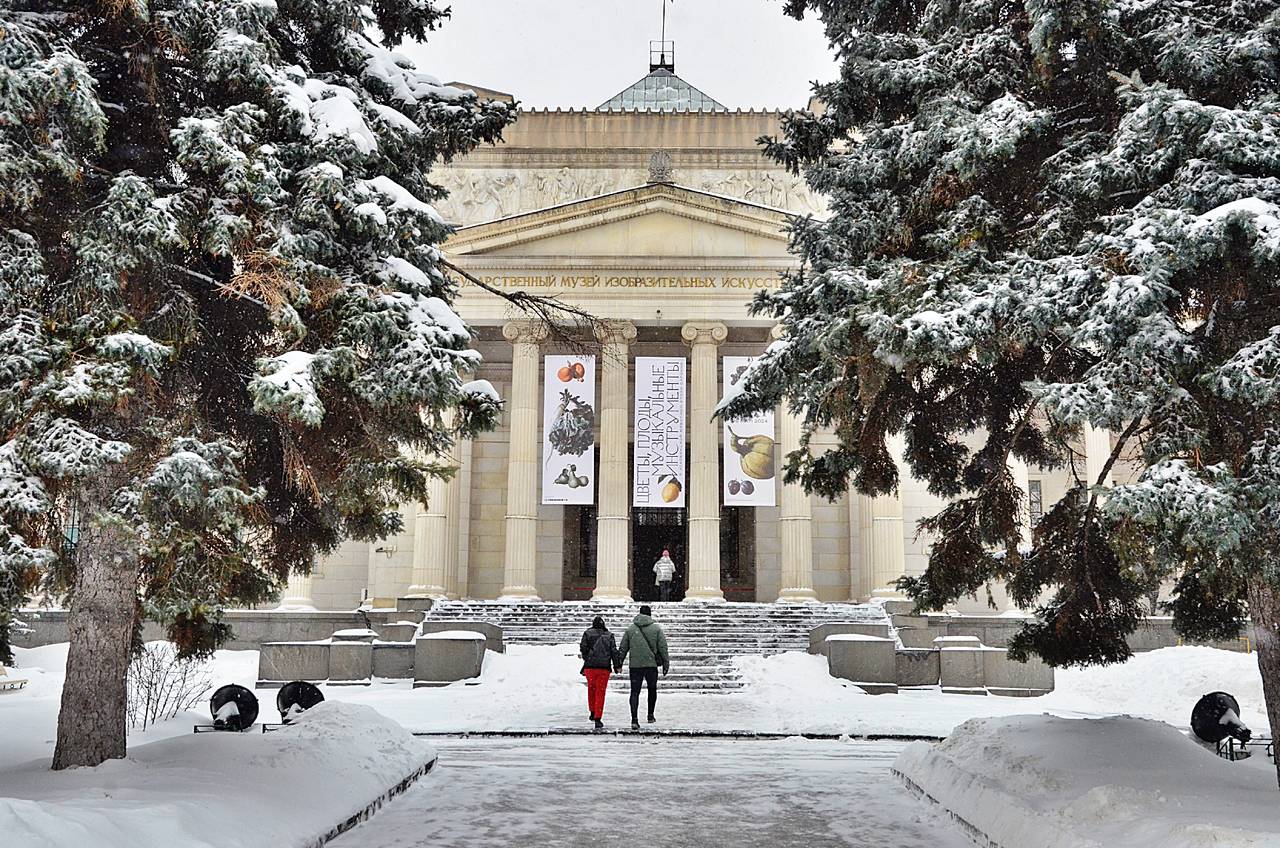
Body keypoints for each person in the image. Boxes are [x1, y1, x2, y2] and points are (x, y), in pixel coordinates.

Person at [618, 604, 669, 729]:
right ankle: (650, 715)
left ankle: (634, 719)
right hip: (651, 665)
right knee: (652, 690)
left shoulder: (631, 629)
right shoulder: (656, 629)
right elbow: (663, 648)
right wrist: (666, 663)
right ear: (650, 615)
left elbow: (623, 648)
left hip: (635, 666)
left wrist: (618, 663)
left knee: (635, 692)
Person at [579, 615, 621, 730]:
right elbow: (613, 651)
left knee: (591, 690)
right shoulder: (609, 635)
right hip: (603, 668)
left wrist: (588, 657)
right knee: (600, 692)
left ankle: (592, 712)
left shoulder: (587, 633)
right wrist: (617, 665)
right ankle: (598, 718)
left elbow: (583, 647)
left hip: (590, 668)